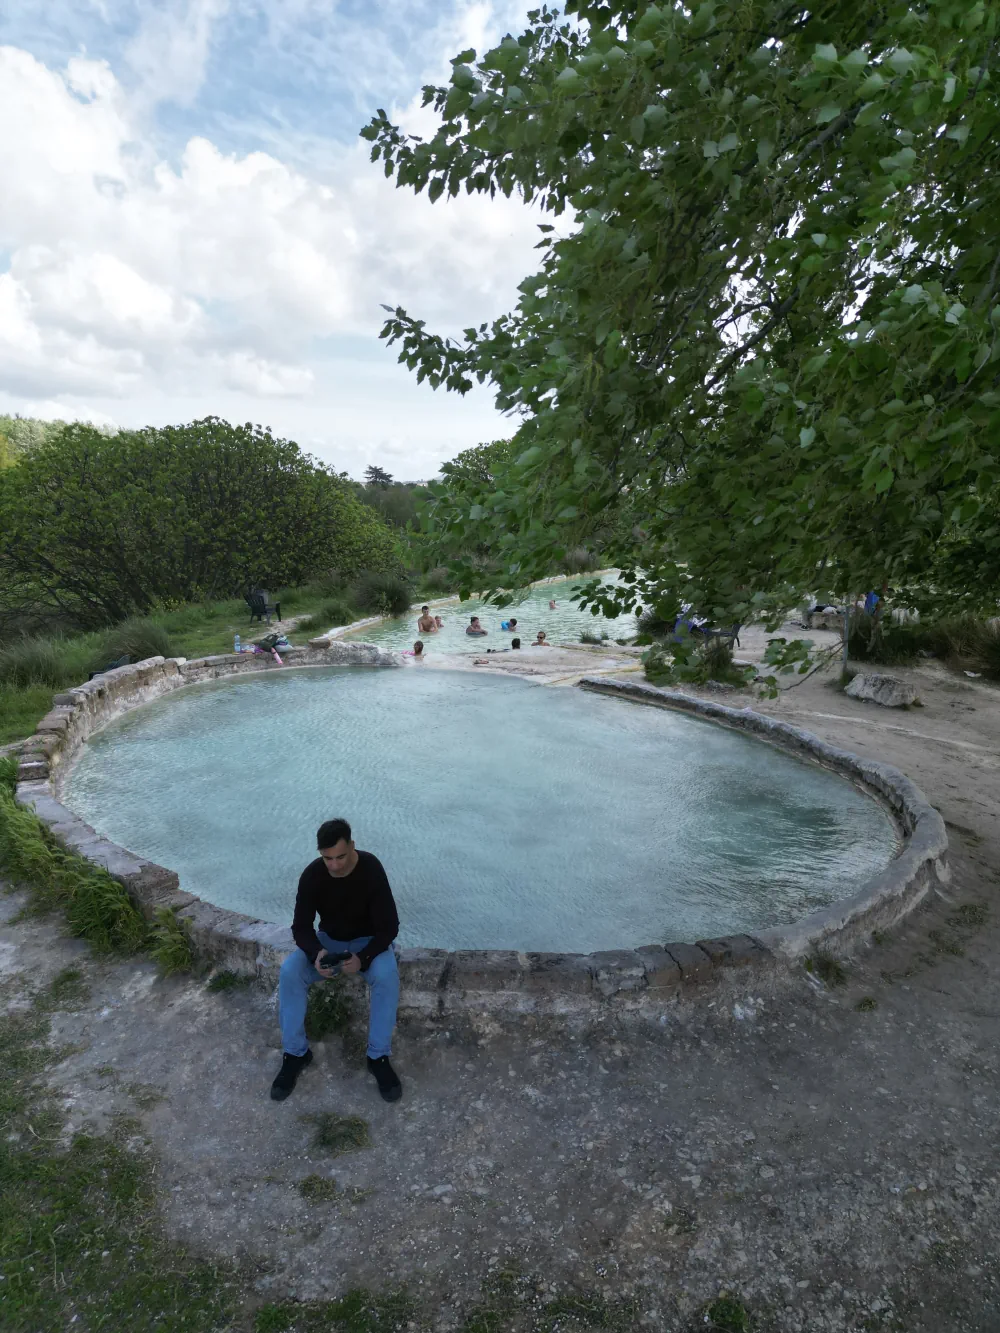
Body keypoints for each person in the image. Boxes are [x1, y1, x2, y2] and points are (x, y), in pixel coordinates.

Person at [271, 819, 402, 1104]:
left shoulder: (371, 868)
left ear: (352, 846)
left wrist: (364, 958)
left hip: (369, 943)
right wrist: (316, 954)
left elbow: (390, 927)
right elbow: (301, 928)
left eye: (340, 856)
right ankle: (295, 1053)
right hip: (329, 942)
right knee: (290, 972)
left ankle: (378, 1057)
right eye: (327, 858)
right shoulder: (312, 875)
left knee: (387, 976)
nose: (334, 865)